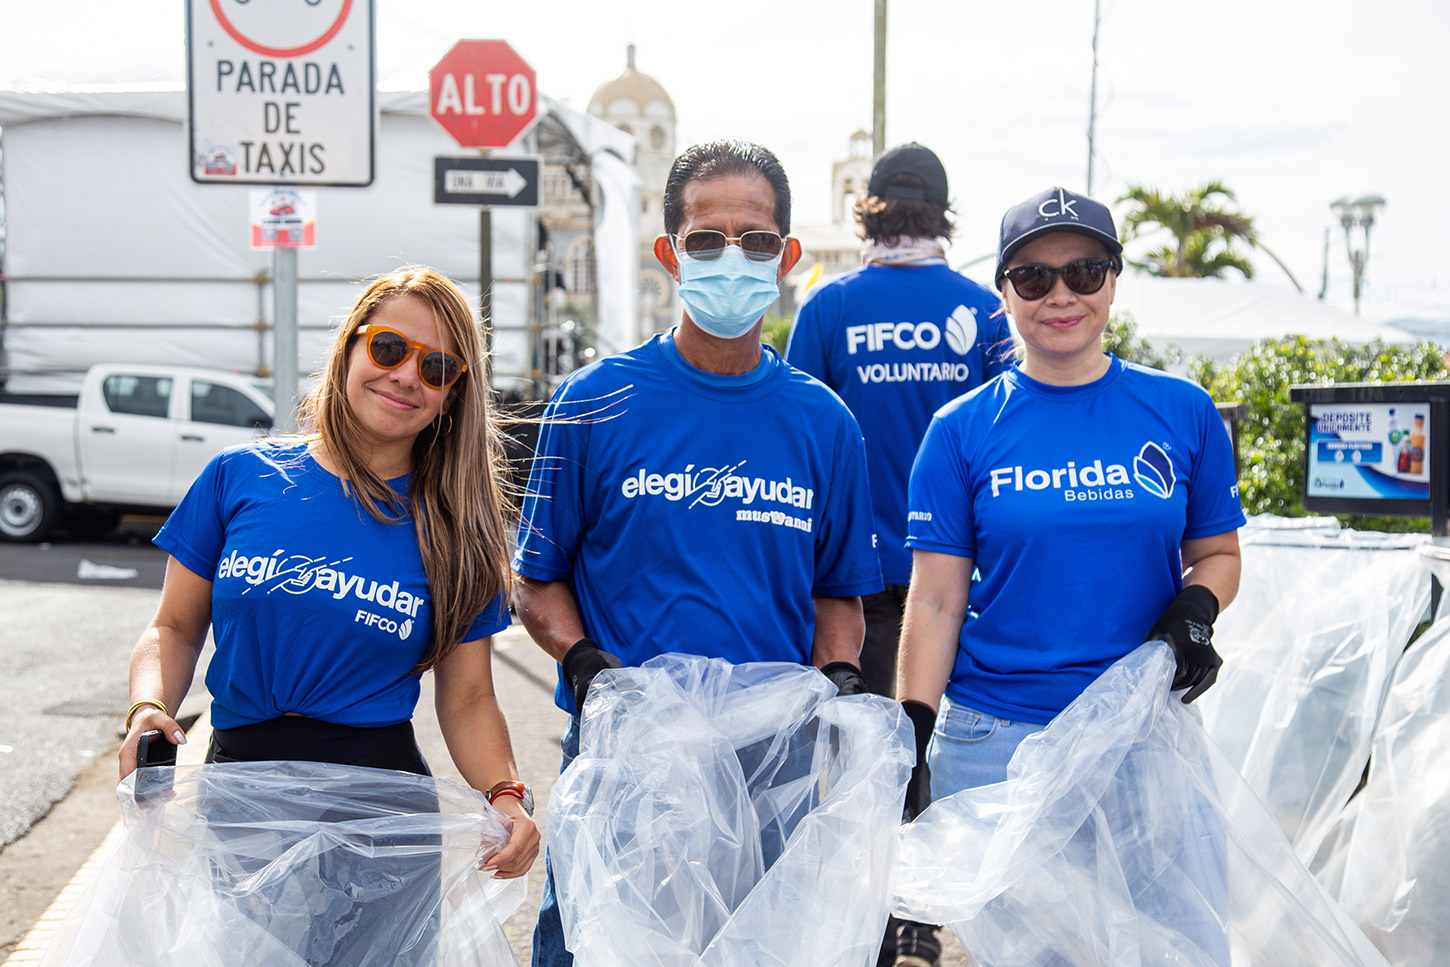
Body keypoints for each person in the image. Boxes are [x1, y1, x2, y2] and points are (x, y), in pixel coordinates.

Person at [513, 139, 884, 967]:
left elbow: (838, 597)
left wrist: (842, 683)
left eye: (755, 240)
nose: (732, 257)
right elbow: (535, 582)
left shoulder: (825, 424)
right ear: (669, 252)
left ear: (787, 257)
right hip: (626, 766)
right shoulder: (593, 403)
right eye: (706, 239)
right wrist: (587, 669)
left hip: (769, 777)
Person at [119, 268, 540, 949]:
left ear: (452, 395)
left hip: (380, 817)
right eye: (388, 348)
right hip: (242, 798)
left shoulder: (459, 529)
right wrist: (146, 707)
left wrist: (506, 793)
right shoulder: (238, 477)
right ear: (349, 348)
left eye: (435, 367)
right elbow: (172, 627)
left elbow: (466, 698)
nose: (406, 376)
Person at [895, 186, 1245, 959]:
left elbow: (1218, 552)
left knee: (1176, 948)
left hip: (1143, 737)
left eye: (1084, 272)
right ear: (1005, 293)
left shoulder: (1181, 409)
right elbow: (939, 599)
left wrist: (1196, 605)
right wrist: (911, 731)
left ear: (1114, 280)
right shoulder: (960, 432)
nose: (1061, 295)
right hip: (999, 745)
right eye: (1033, 278)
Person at [786, 143, 1012, 967]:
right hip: (964, 574)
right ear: (942, 213)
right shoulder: (986, 311)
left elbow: (799, 435)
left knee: (865, 753)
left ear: (869, 210)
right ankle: (920, 911)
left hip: (857, 574)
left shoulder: (828, 306)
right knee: (947, 745)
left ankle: (873, 916)